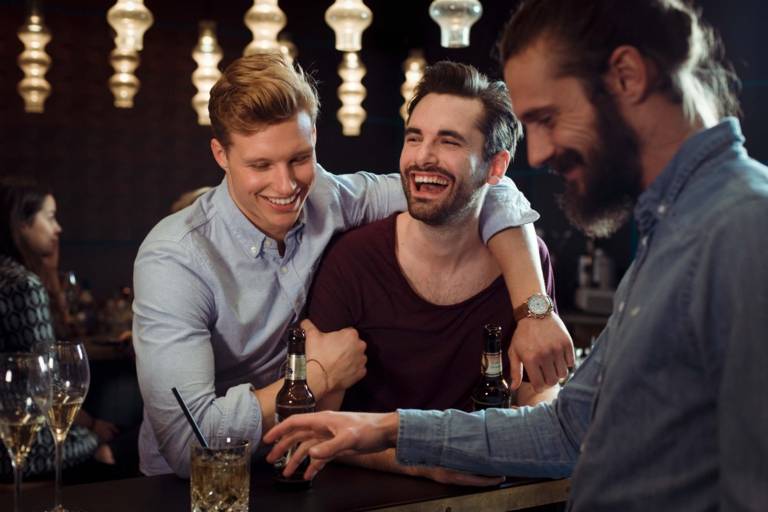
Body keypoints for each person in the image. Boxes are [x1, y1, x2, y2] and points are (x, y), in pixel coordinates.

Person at [264, 1, 768, 509]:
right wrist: (388, 430)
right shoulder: (674, 231)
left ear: (628, 76)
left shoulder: (745, 228)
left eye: (548, 118)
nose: (540, 153)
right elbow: (568, 430)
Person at [132, 53, 574, 477]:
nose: (286, 186)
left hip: (300, 465)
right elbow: (188, 444)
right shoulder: (175, 258)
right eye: (260, 165)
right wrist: (317, 375)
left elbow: (479, 191)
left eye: (300, 159)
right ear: (220, 156)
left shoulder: (329, 194)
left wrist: (534, 310)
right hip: (186, 485)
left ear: (315, 143)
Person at [306, 61, 560, 484]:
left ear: (496, 167)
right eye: (414, 138)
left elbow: (537, 403)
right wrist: (426, 461)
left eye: (449, 142)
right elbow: (316, 424)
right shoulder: (353, 259)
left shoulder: (527, 264)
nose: (423, 156)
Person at [0, 177, 101, 480]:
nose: (58, 228)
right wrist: (95, 429)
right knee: (119, 438)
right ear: (22, 223)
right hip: (25, 444)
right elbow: (49, 383)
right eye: (50, 217)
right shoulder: (23, 285)